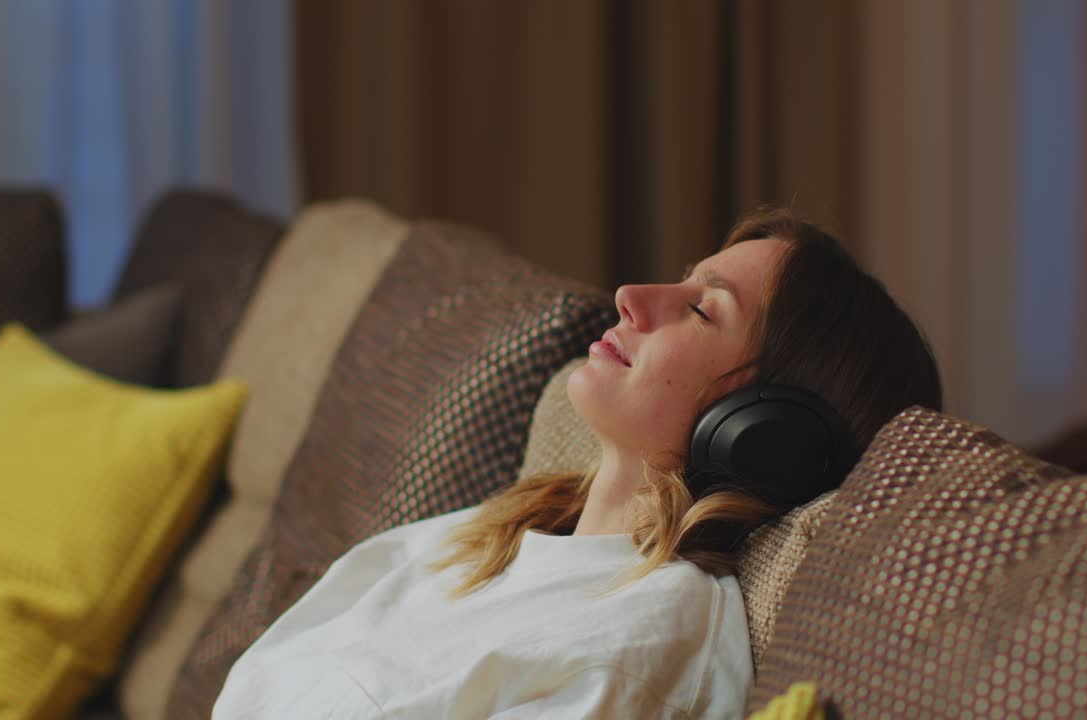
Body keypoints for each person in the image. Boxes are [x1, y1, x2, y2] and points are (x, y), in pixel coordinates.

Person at [211, 206, 943, 719]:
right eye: (683, 280)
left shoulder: (647, 641)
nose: (629, 297)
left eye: (700, 309)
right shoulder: (497, 531)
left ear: (767, 431)